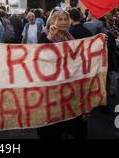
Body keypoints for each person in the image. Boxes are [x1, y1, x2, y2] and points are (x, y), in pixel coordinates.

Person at [37, 8, 88, 139]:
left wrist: (100, 41)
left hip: (69, 87)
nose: (64, 22)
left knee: (71, 125)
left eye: (66, 19)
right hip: (52, 89)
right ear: (52, 21)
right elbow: (40, 56)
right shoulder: (45, 35)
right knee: (53, 128)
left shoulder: (70, 37)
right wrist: (50, 37)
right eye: (60, 19)